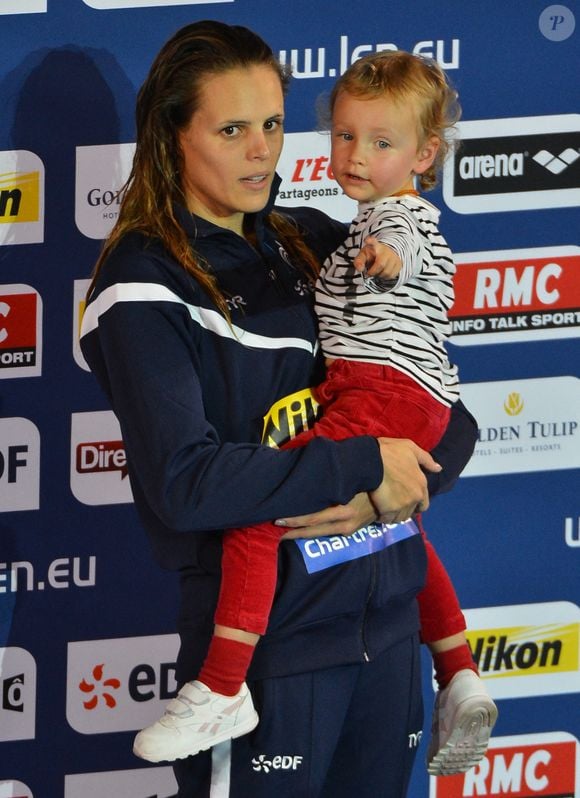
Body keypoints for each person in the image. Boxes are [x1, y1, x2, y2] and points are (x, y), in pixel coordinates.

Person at [81, 21, 484, 798]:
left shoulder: (319, 239)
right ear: (172, 138)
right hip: (268, 655)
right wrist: (364, 466)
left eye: (271, 123)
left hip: (391, 634)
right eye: (232, 129)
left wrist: (384, 486)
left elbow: (446, 414)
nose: (262, 150)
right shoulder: (142, 283)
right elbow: (185, 482)